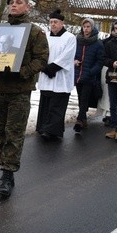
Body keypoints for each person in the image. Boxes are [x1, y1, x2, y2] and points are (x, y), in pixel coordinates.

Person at [0, 0, 48, 197]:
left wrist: (23, 72)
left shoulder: (35, 32)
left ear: (28, 7)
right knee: (2, 131)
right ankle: (4, 169)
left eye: (19, 2)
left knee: (14, 132)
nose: (14, 5)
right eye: (11, 2)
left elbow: (42, 59)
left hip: (20, 91)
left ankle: (8, 175)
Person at [35, 9, 76, 141]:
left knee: (57, 105)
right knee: (46, 103)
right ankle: (43, 127)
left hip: (61, 76)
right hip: (46, 75)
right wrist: (44, 67)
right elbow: (40, 52)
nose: (53, 24)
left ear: (62, 23)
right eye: (51, 22)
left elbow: (67, 56)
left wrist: (52, 68)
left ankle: (52, 130)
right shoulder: (45, 36)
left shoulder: (70, 38)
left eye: (56, 22)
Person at [73, 17, 104, 134]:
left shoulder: (98, 43)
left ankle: (79, 121)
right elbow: (73, 54)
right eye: (84, 27)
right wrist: (75, 61)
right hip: (78, 74)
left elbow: (100, 61)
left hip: (89, 76)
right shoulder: (77, 40)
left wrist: (92, 72)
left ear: (92, 28)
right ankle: (84, 119)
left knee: (85, 98)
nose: (86, 29)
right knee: (81, 98)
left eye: (88, 27)